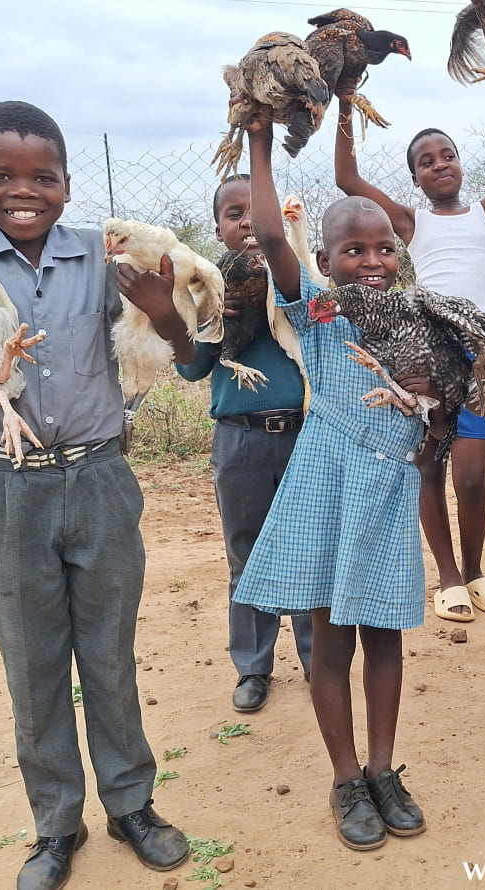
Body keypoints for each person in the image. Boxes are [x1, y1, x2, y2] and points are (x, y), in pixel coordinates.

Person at [0, 100, 191, 889]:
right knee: (33, 662)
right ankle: (54, 825)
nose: (23, 191)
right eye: (3, 176)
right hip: (9, 489)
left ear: (68, 186)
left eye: (43, 177)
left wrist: (164, 312)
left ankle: (131, 802)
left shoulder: (107, 258)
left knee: (107, 652)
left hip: (100, 478)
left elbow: (180, 348)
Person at [232, 104, 439, 851]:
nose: (374, 262)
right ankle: (345, 775)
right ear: (327, 257)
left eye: (384, 247)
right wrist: (259, 141)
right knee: (331, 638)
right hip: (326, 485)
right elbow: (268, 237)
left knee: (384, 633)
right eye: (353, 250)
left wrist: (431, 400)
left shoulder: (421, 320)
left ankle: (385, 770)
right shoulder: (320, 312)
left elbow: (446, 410)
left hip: (388, 491)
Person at [335, 70, 485, 622]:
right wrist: (348, 102)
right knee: (428, 465)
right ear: (415, 178)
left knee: (471, 474)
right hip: (425, 357)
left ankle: (474, 569)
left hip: (481, 360)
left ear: (459, 162)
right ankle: (446, 575)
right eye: (426, 161)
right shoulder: (409, 222)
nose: (439, 164)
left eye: (446, 154)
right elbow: (346, 175)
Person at [175, 174, 312, 713]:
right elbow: (190, 370)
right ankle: (253, 666)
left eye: (259, 211)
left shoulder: (298, 279)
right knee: (246, 551)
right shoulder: (205, 288)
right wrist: (212, 321)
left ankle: (314, 655)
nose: (248, 222)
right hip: (239, 440)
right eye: (235, 214)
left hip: (302, 435)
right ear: (218, 229)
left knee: (303, 546)